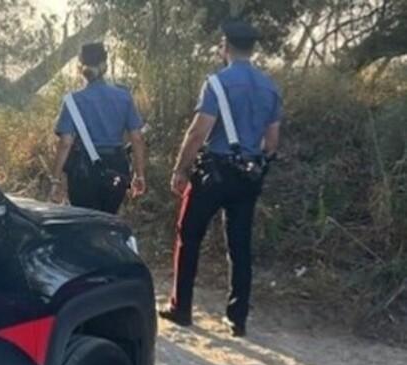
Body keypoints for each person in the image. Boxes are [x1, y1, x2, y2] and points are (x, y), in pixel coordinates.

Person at [159, 19, 282, 337]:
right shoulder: (270, 87)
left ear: (225, 46)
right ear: (252, 49)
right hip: (248, 174)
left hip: (213, 171)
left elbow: (198, 131)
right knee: (240, 245)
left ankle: (181, 307)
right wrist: (255, 164)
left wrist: (180, 169)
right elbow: (272, 143)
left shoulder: (216, 83)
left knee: (188, 236)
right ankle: (237, 318)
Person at [53, 42, 147, 214]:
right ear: (106, 65)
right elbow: (137, 138)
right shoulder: (124, 96)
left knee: (86, 223)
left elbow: (66, 143)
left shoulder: (73, 101)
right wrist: (139, 174)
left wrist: (56, 179)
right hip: (116, 167)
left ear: (80, 67)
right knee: (108, 218)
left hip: (83, 172)